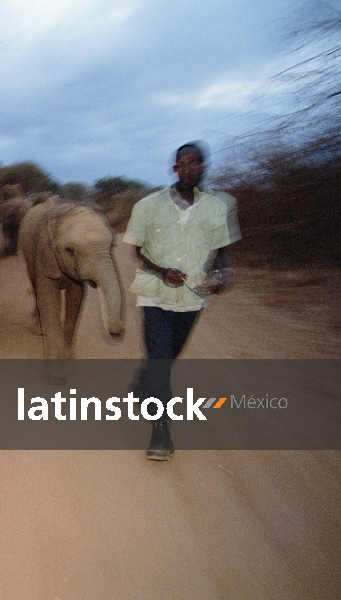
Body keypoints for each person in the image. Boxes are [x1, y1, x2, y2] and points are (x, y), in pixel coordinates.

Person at [123, 141, 240, 461]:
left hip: (192, 300)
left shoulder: (219, 206)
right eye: (181, 164)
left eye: (194, 163)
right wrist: (161, 271)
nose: (187, 170)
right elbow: (136, 251)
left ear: (204, 166)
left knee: (167, 358)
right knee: (162, 362)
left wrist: (223, 275)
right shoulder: (150, 205)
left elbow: (224, 253)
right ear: (173, 169)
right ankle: (160, 431)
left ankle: (145, 380)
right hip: (156, 294)